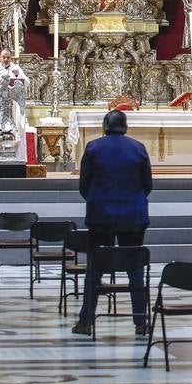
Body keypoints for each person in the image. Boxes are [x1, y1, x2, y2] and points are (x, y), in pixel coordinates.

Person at [74, 110, 153, 337]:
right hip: (133, 214)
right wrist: (134, 198)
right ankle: (140, 321)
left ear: (105, 125)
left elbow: (84, 183)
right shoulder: (138, 148)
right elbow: (147, 183)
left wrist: (97, 199)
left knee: (95, 269)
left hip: (101, 214)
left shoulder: (93, 147)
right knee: (135, 269)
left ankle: (86, 320)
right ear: (125, 126)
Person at [0, 49, 28, 162]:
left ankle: (19, 158)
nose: (6, 59)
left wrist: (17, 78)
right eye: (4, 57)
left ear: (11, 57)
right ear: (0, 57)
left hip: (13, 105)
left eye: (8, 57)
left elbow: (26, 82)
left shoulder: (16, 69)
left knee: (17, 128)